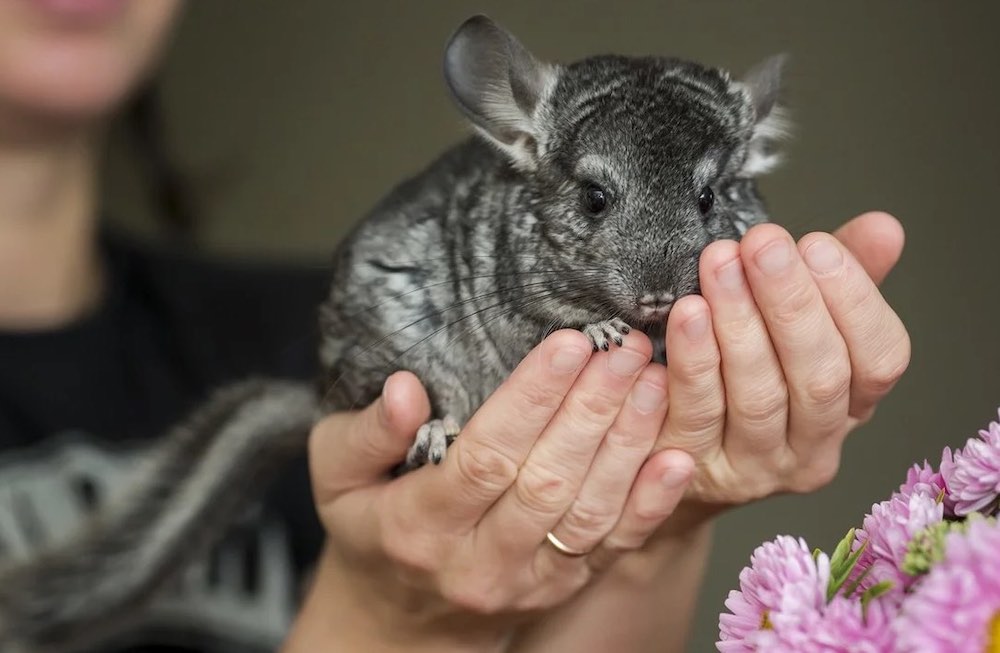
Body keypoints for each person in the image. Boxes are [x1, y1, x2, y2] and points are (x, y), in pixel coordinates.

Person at [0, 2, 911, 652]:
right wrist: (393, 621)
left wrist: (668, 510)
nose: (657, 265)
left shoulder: (278, 320)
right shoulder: (374, 307)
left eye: (708, 199)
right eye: (597, 200)